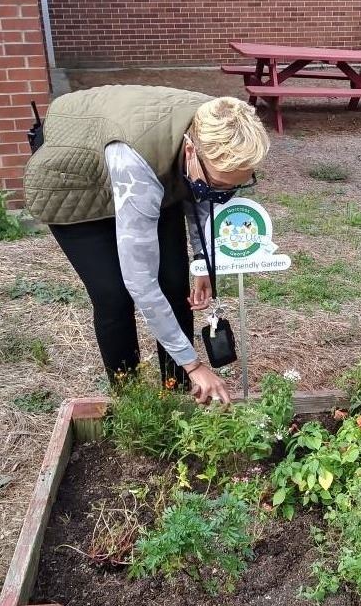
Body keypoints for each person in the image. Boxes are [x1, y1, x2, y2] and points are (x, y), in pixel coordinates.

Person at [23, 86, 270, 403]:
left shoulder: (219, 122)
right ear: (191, 151)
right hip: (74, 179)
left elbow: (203, 199)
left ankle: (178, 392)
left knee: (175, 282)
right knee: (114, 295)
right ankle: (131, 399)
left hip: (148, 162)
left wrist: (202, 261)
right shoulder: (137, 166)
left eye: (234, 186)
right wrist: (195, 364)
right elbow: (140, 281)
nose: (223, 193)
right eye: (220, 184)